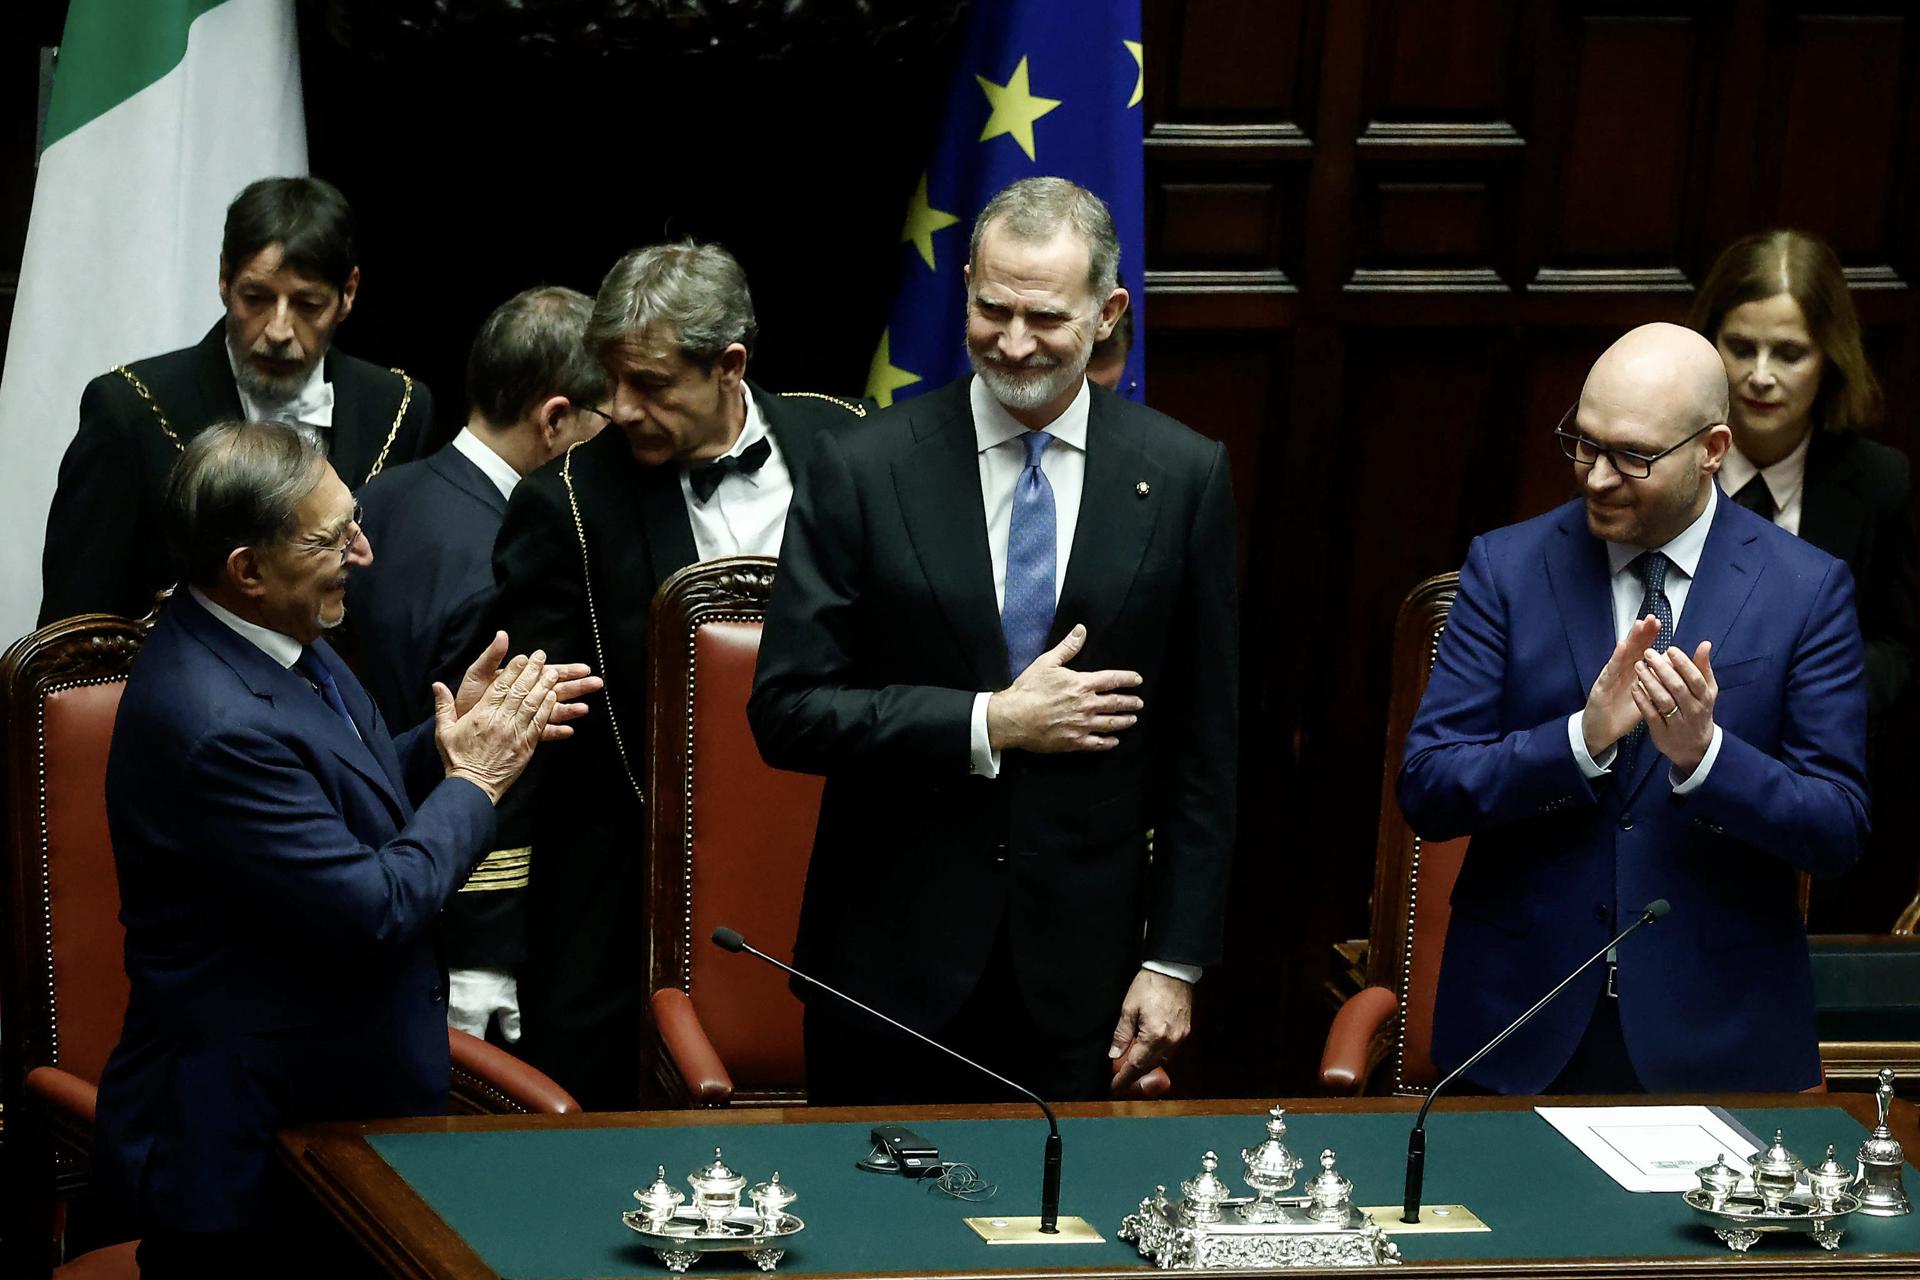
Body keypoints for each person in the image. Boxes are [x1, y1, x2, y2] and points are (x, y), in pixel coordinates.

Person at [748, 177, 1238, 1104]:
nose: (1013, 343)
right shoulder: (861, 468)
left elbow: (1203, 752)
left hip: (1080, 984)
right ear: (965, 284)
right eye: (991, 308)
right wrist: (988, 722)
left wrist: (1175, 958)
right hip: (883, 973)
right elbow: (787, 712)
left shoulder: (1182, 477)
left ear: (1108, 313)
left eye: (1045, 317)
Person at [91, 420, 596, 1277]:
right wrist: (476, 781)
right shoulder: (212, 723)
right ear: (246, 570)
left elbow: (328, 783)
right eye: (332, 538)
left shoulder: (277, 640)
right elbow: (376, 907)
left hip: (340, 1127)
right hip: (254, 1168)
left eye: (353, 518)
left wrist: (442, 745)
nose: (362, 551)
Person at [1398, 323, 1870, 1095]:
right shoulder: (1508, 568)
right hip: (1523, 1027)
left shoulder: (1806, 591)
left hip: (1719, 1037)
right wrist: (1580, 741)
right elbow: (1430, 786)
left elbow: (1838, 827)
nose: (1596, 477)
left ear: (1712, 449)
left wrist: (1706, 757)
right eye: (1583, 444)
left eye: (1634, 457)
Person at [488, 239, 871, 1108]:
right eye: (610, 378)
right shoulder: (564, 508)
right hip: (629, 916)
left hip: (840, 883)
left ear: (730, 365)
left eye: (651, 386)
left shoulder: (853, 443)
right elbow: (526, 737)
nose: (619, 408)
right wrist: (485, 947)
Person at [346, 285, 609, 1046]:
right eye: (605, 421)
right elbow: (497, 762)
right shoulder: (507, 562)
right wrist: (484, 951)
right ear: (556, 420)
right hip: (434, 919)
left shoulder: (384, 497)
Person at [39, 176, 434, 625]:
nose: (278, 331)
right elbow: (69, 633)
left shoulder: (399, 408)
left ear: (348, 293)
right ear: (224, 278)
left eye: (307, 304)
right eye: (256, 298)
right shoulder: (130, 408)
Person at [1689, 228, 1914, 725]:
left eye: (1789, 354)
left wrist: (1811, 700)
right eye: (1742, 347)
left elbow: (1897, 645)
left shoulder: (1881, 483)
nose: (1761, 376)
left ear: (1830, 359)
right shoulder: (1666, 458)